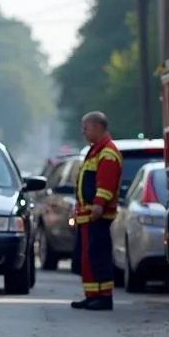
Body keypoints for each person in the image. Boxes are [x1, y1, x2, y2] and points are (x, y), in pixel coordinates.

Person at [71, 112, 122, 311]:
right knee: (88, 257)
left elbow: (105, 183)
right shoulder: (95, 151)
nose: (83, 132)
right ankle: (92, 295)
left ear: (98, 127)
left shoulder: (107, 153)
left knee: (98, 256)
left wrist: (99, 204)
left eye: (86, 128)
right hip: (87, 215)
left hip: (97, 215)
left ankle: (104, 296)